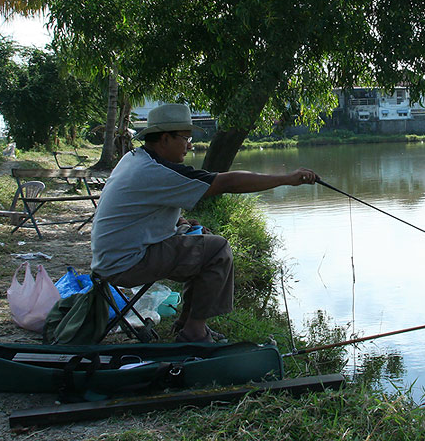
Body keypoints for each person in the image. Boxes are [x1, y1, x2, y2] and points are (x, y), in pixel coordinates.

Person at [90, 103, 317, 343]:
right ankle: (195, 333)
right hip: (125, 263)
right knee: (217, 250)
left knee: (199, 237)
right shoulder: (155, 170)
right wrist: (287, 179)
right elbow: (227, 183)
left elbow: (144, 210)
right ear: (165, 139)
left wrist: (182, 224)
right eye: (185, 138)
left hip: (113, 257)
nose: (189, 146)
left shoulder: (135, 158)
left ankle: (185, 324)